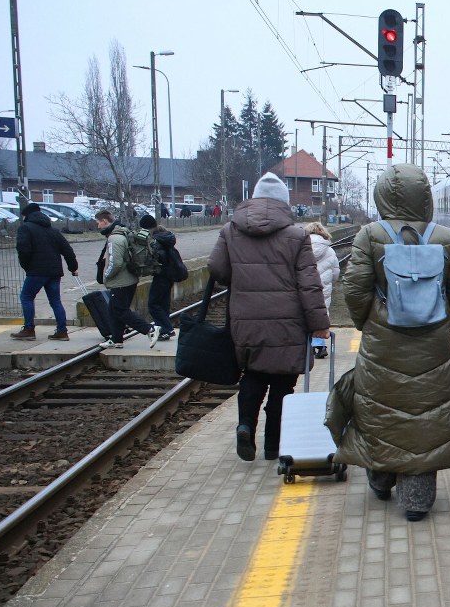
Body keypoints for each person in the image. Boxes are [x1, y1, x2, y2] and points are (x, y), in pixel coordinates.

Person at [327, 163, 450, 522]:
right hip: (433, 347)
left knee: (378, 411)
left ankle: (380, 479)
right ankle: (417, 500)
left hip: (381, 343)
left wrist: (370, 321)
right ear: (425, 197)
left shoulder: (368, 235)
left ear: (381, 196)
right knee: (428, 415)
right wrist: (444, 318)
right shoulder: (445, 238)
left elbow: (355, 289)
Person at [208, 172, 329, 462]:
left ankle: (245, 426)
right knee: (283, 384)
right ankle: (273, 445)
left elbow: (217, 270)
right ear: (284, 203)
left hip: (246, 319)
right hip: (287, 322)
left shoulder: (230, 231)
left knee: (253, 375)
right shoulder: (298, 236)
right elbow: (309, 285)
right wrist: (320, 325)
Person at [12, 202, 79, 341]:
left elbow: (23, 250)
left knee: (26, 297)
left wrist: (26, 267)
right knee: (55, 301)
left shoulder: (25, 228)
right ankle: (62, 331)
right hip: (54, 272)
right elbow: (68, 250)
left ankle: (29, 329)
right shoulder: (53, 231)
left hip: (36, 271)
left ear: (27, 215)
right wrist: (73, 268)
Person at [95, 210, 160, 349]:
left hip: (121, 282)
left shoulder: (114, 238)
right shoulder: (124, 232)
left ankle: (150, 329)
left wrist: (106, 275)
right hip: (129, 279)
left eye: (98, 223)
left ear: (105, 221)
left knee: (120, 310)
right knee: (113, 310)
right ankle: (116, 339)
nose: (98, 227)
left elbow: (116, 263)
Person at [141, 214, 180, 341]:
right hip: (170, 274)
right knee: (163, 303)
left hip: (162, 274)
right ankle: (163, 329)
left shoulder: (156, 241)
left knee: (153, 304)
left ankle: (167, 329)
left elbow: (157, 258)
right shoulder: (165, 236)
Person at [305, 221, 340, 359]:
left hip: (305, 286)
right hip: (323, 287)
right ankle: (319, 344)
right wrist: (328, 282)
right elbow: (336, 272)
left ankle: (308, 344)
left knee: (305, 313)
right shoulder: (330, 250)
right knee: (322, 313)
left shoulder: (301, 248)